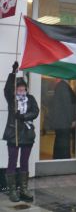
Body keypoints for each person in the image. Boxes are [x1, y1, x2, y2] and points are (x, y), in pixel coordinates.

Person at [3, 61, 39, 202]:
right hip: (13, 135)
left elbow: (35, 112)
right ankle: (12, 191)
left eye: (23, 89)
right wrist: (13, 72)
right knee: (12, 161)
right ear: (15, 90)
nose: (21, 91)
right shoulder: (12, 100)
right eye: (19, 89)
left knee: (24, 162)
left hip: (27, 136)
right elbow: (7, 89)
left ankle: (23, 189)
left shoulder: (31, 99)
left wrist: (23, 116)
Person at [50, 80, 76, 159]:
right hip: (63, 122)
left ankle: (58, 161)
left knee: (60, 143)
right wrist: (72, 120)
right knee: (63, 144)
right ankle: (63, 163)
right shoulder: (63, 87)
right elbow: (67, 105)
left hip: (61, 121)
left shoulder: (61, 86)